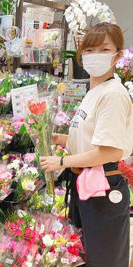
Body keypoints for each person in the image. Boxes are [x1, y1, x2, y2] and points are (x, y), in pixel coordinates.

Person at [40, 23, 132, 267]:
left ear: (118, 55)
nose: (94, 56)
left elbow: (109, 151)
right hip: (87, 186)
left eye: (104, 49)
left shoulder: (112, 94)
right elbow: (93, 138)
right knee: (86, 256)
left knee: (104, 260)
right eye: (89, 50)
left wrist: (61, 162)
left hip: (103, 189)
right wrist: (60, 139)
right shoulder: (95, 90)